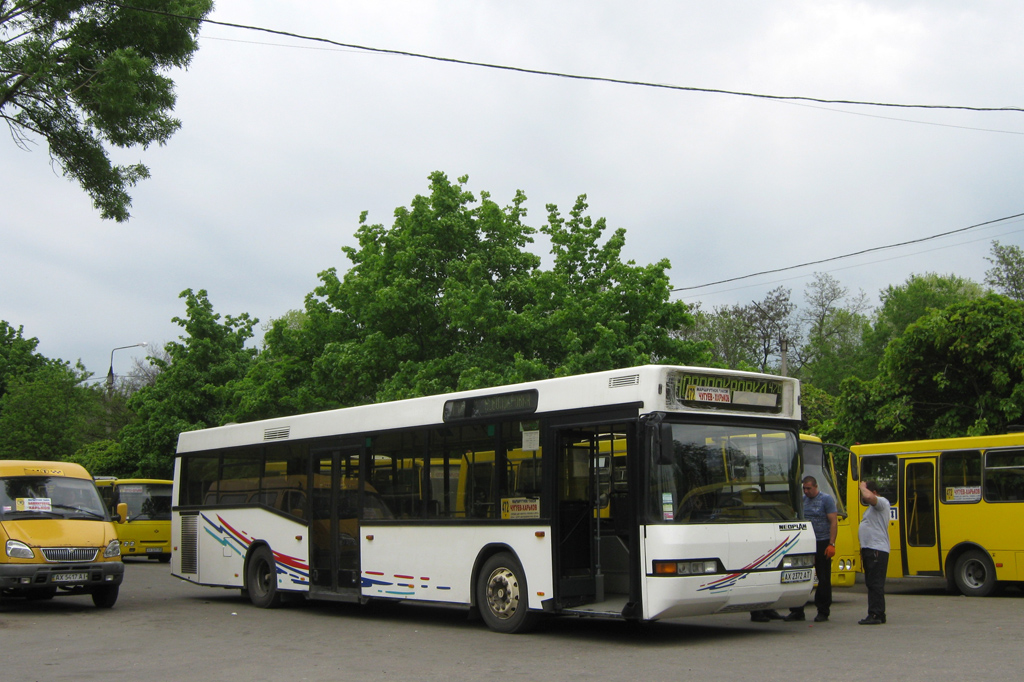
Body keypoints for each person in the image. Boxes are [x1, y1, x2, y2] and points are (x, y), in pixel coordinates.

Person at [782, 475, 838, 622]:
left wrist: (831, 543)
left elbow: (833, 521)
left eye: (809, 488)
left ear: (815, 486)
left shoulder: (826, 499)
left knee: (823, 577)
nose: (806, 491)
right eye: (804, 488)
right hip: (806, 542)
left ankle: (823, 610)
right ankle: (797, 610)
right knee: (799, 574)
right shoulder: (802, 500)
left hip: (822, 541)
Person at [857, 479, 890, 625]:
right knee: (872, 583)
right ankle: (877, 612)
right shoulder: (872, 509)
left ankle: (876, 614)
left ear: (874, 492)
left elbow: (869, 497)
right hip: (870, 549)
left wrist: (862, 487)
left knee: (875, 583)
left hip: (876, 549)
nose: (864, 498)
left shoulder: (881, 502)